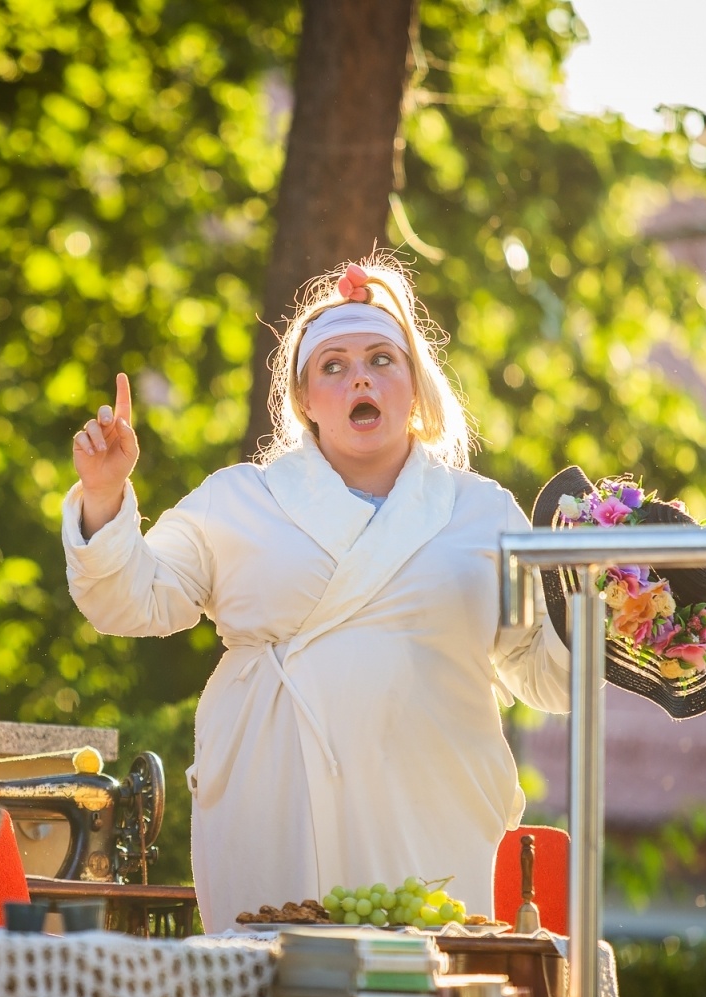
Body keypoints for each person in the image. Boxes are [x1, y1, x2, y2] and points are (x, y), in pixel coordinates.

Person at [63, 257, 572, 933]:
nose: (359, 375)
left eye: (381, 359)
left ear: (415, 387)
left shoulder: (483, 512)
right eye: (332, 365)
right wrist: (102, 493)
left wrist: (605, 619)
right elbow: (129, 599)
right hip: (272, 801)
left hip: (435, 807)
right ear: (305, 400)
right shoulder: (240, 500)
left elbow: (544, 674)